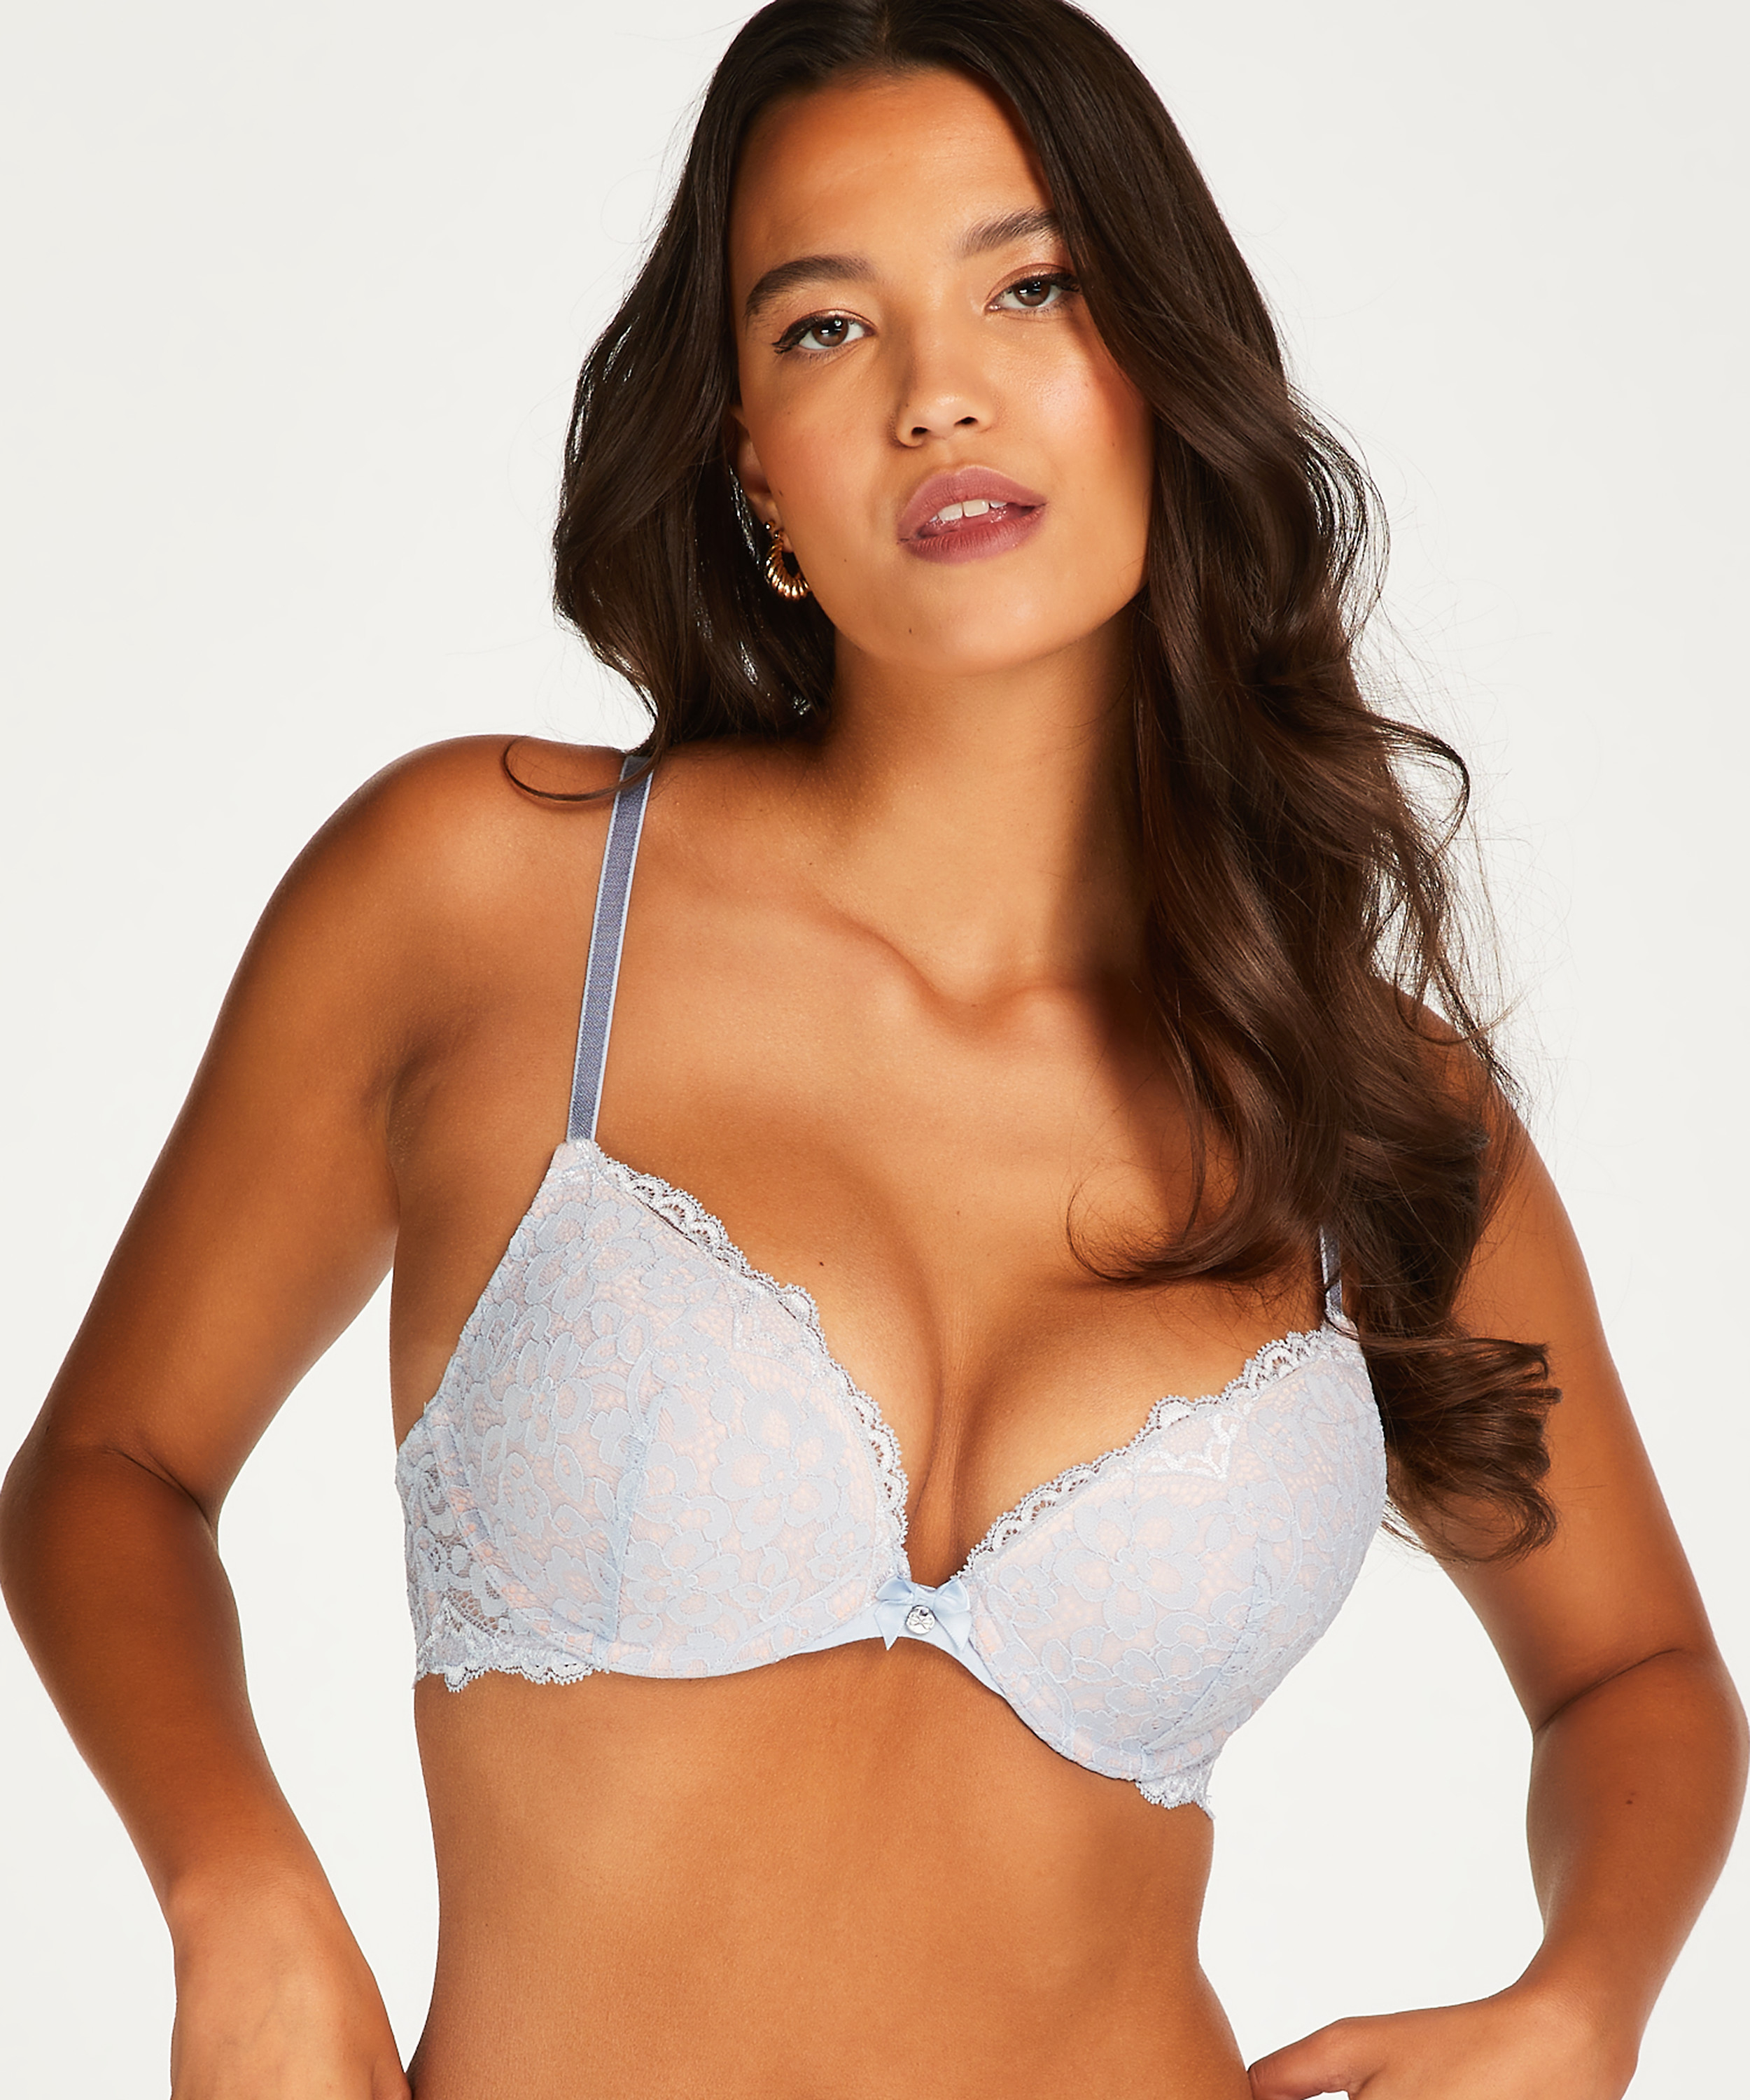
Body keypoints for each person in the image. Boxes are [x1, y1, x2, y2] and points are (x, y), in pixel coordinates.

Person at [1, 1, 1742, 2094]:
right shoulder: (488, 903)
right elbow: (110, 1472)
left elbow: (1638, 1674)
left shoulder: (1360, 1103)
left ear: (1163, 365)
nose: (936, 393)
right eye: (826, 328)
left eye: (1031, 287)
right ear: (754, 461)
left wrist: (1586, 1999)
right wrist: (242, 1897)